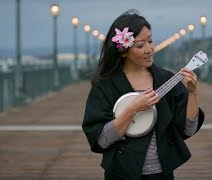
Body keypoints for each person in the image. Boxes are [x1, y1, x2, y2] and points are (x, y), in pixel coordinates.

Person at [82, 9, 205, 180]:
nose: (149, 49)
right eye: (140, 45)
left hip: (161, 173)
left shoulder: (166, 79)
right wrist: (132, 109)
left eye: (150, 41)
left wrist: (193, 92)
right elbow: (101, 140)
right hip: (121, 172)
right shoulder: (105, 86)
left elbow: (188, 129)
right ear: (123, 51)